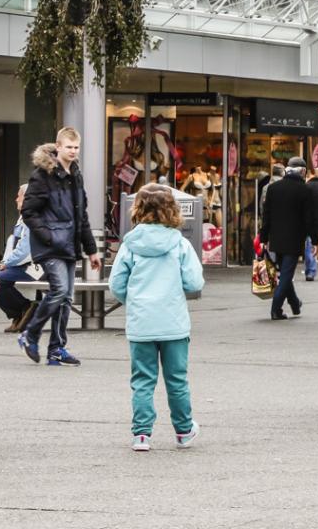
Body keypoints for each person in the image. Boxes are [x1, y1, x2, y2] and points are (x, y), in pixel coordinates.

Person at [109, 184, 204, 452]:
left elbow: (116, 285)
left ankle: (141, 435)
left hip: (141, 323)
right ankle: (184, 431)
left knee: (142, 380)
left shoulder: (130, 245)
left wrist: (134, 301)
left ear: (137, 209)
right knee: (176, 379)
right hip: (173, 322)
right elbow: (194, 281)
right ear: (171, 210)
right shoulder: (180, 244)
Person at [17, 127, 102, 367]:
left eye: (76, 147)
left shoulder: (76, 174)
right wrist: (47, 236)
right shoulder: (42, 175)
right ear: (58, 146)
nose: (73, 151)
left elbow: (81, 215)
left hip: (69, 244)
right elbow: (28, 211)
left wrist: (91, 249)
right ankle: (30, 335)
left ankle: (56, 348)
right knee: (60, 291)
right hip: (50, 245)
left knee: (66, 298)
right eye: (69, 147)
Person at [259, 156, 312, 320]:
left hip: (276, 239)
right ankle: (276, 309)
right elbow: (308, 218)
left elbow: (266, 215)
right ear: (302, 171)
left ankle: (295, 304)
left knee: (285, 273)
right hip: (294, 240)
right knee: (286, 275)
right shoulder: (304, 190)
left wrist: (264, 237)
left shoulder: (273, 188)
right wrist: (314, 240)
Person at [0, 184, 43, 333]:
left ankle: (24, 308)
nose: (16, 199)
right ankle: (19, 314)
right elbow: (14, 243)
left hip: (38, 267)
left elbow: (25, 251)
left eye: (19, 196)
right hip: (29, 264)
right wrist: (5, 263)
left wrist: (7, 264)